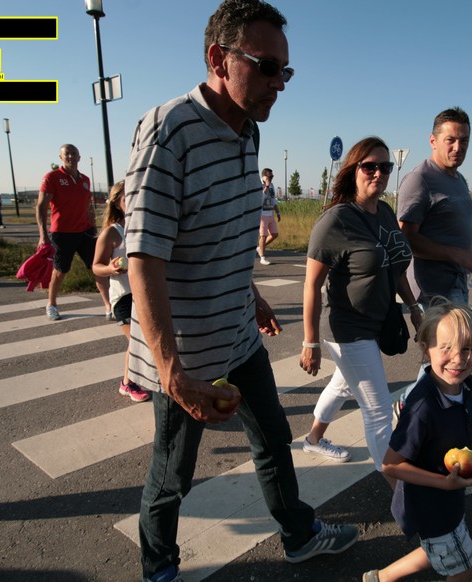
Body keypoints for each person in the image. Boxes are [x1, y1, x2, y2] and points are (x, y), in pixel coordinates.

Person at [123, 2, 358, 580]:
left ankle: (298, 535)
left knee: (274, 438)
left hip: (238, 334)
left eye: (286, 71)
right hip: (186, 353)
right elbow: (143, 258)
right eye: (267, 67)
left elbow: (221, 230)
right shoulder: (168, 130)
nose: (280, 83)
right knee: (173, 474)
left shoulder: (248, 131)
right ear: (218, 58)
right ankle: (159, 568)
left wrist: (249, 292)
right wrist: (172, 372)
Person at [298, 137, 422, 482]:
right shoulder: (336, 220)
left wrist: (413, 306)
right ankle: (400, 492)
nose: (378, 173)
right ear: (353, 170)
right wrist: (310, 342)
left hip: (377, 322)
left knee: (342, 386)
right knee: (378, 411)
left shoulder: (385, 212)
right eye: (370, 166)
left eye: (385, 167)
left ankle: (313, 439)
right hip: (348, 328)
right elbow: (311, 285)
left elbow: (396, 268)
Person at [364, 298, 472, 582]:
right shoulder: (423, 407)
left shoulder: (466, 385)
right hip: (430, 505)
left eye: (467, 349)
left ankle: (381, 578)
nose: (458, 359)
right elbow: (391, 465)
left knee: (439, 548)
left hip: (449, 497)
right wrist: (445, 483)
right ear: (425, 348)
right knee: (465, 569)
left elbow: (462, 433)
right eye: (446, 348)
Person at [397, 107, 472, 308]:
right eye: (450, 140)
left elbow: (465, 234)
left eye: (464, 140)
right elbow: (406, 239)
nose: (458, 147)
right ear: (433, 141)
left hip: (458, 286)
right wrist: (459, 255)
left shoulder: (459, 180)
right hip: (433, 295)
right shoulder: (419, 179)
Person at [36, 144, 111, 321]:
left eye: (73, 153)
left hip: (86, 232)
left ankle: (109, 306)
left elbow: (88, 206)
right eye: (67, 154)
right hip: (62, 232)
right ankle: (51, 304)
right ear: (61, 157)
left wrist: (95, 228)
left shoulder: (85, 179)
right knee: (60, 270)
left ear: (79, 157)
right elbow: (41, 207)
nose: (70, 156)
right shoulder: (52, 177)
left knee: (98, 268)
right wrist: (43, 235)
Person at [92, 180, 150, 403]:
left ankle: (143, 379)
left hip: (144, 292)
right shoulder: (112, 233)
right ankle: (127, 383)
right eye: (128, 198)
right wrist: (111, 268)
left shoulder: (145, 227)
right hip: (124, 296)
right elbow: (96, 266)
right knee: (136, 340)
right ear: (117, 203)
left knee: (148, 338)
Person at [257, 167, 281, 265]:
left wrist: (277, 212)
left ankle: (260, 248)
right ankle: (262, 257)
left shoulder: (272, 185)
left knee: (274, 234)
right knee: (263, 236)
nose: (271, 178)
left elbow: (273, 199)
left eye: (272, 176)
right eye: (270, 176)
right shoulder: (259, 184)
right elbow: (260, 198)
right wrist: (266, 186)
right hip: (262, 215)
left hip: (270, 213)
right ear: (264, 177)